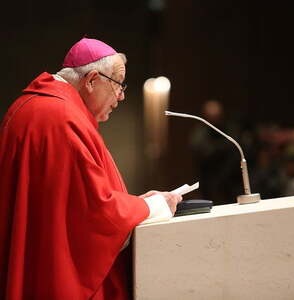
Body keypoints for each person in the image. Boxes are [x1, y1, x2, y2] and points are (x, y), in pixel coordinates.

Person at [0, 37, 182, 300]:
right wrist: (153, 206)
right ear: (92, 79)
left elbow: (67, 202)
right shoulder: (62, 119)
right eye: (118, 85)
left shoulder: (30, 106)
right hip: (58, 276)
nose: (121, 96)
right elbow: (93, 214)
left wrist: (131, 205)